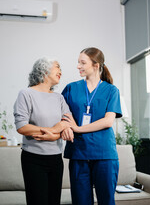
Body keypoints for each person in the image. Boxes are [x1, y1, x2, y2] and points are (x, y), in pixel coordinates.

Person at [34, 47, 122, 205]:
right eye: (78, 62)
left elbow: (108, 121)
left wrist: (77, 128)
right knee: (80, 202)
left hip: (104, 155)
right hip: (78, 153)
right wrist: (67, 127)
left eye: (82, 63)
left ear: (96, 65)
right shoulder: (71, 88)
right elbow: (61, 114)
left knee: (107, 201)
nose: (78, 66)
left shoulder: (111, 90)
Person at [13, 57, 73, 205]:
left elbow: (67, 122)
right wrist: (53, 130)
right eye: (57, 67)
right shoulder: (26, 94)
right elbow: (22, 126)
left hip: (56, 159)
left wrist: (54, 136)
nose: (61, 71)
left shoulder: (59, 98)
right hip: (33, 159)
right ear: (43, 69)